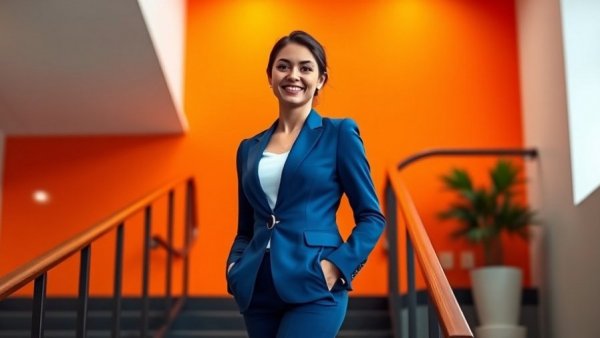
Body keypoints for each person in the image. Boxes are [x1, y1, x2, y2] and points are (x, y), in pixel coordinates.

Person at [226, 30, 385, 338]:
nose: (293, 75)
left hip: (315, 279)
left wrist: (336, 267)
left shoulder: (339, 133)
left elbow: (371, 218)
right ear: (270, 76)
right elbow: (246, 228)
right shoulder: (248, 148)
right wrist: (235, 268)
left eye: (305, 67)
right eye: (283, 66)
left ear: (320, 79)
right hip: (257, 283)